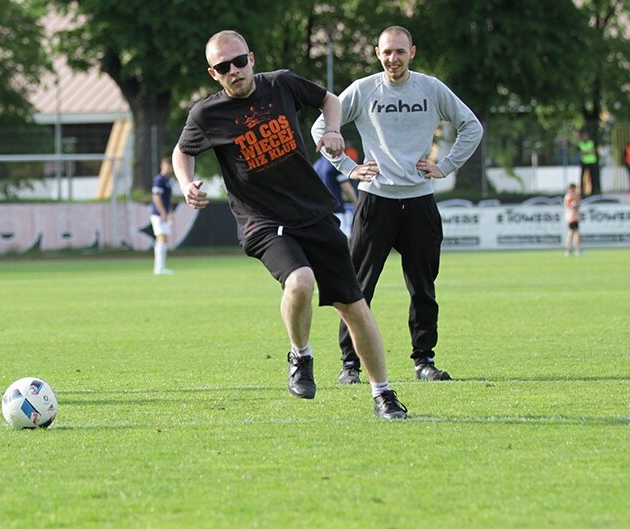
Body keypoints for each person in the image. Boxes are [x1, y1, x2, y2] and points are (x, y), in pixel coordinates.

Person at [173, 30, 407, 419]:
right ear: (213, 74)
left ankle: (383, 394)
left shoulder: (281, 84)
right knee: (300, 281)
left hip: (312, 212)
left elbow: (329, 100)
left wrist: (332, 129)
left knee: (354, 307)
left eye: (239, 61)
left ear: (251, 58)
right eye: (223, 67)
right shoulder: (206, 114)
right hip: (262, 221)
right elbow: (183, 151)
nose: (234, 71)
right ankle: (301, 356)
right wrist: (186, 184)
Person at [312, 26, 483, 385]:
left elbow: (472, 127)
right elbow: (321, 129)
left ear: (412, 52)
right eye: (387, 52)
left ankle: (424, 361)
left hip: (420, 202)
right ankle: (350, 365)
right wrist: (349, 168)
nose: (393, 58)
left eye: (400, 51)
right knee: (357, 288)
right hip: (375, 201)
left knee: (423, 287)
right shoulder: (363, 89)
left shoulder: (431, 89)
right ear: (377, 53)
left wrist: (446, 165)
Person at [313, 155, 357, 236]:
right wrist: (356, 202)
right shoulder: (335, 163)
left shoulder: (316, 165)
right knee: (344, 240)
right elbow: (345, 186)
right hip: (337, 211)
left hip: (322, 214)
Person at [151, 157, 175, 275]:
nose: (170, 168)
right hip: (158, 214)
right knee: (161, 238)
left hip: (164, 214)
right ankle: (159, 269)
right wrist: (162, 212)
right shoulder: (159, 179)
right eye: (168, 165)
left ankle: (161, 267)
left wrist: (169, 213)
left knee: (164, 239)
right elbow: (156, 197)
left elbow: (167, 200)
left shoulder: (167, 181)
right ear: (162, 166)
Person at [577, 131, 599, 196]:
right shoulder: (580, 144)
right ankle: (582, 192)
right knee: (582, 178)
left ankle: (593, 192)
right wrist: (589, 152)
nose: (585, 137)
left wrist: (585, 152)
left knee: (593, 177)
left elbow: (594, 151)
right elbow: (581, 154)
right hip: (584, 162)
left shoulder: (591, 143)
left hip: (592, 162)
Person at [564, 183, 582, 256]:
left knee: (574, 233)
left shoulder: (574, 196)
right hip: (571, 217)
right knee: (573, 233)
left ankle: (572, 250)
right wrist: (577, 201)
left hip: (574, 217)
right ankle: (573, 250)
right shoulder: (569, 197)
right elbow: (573, 206)